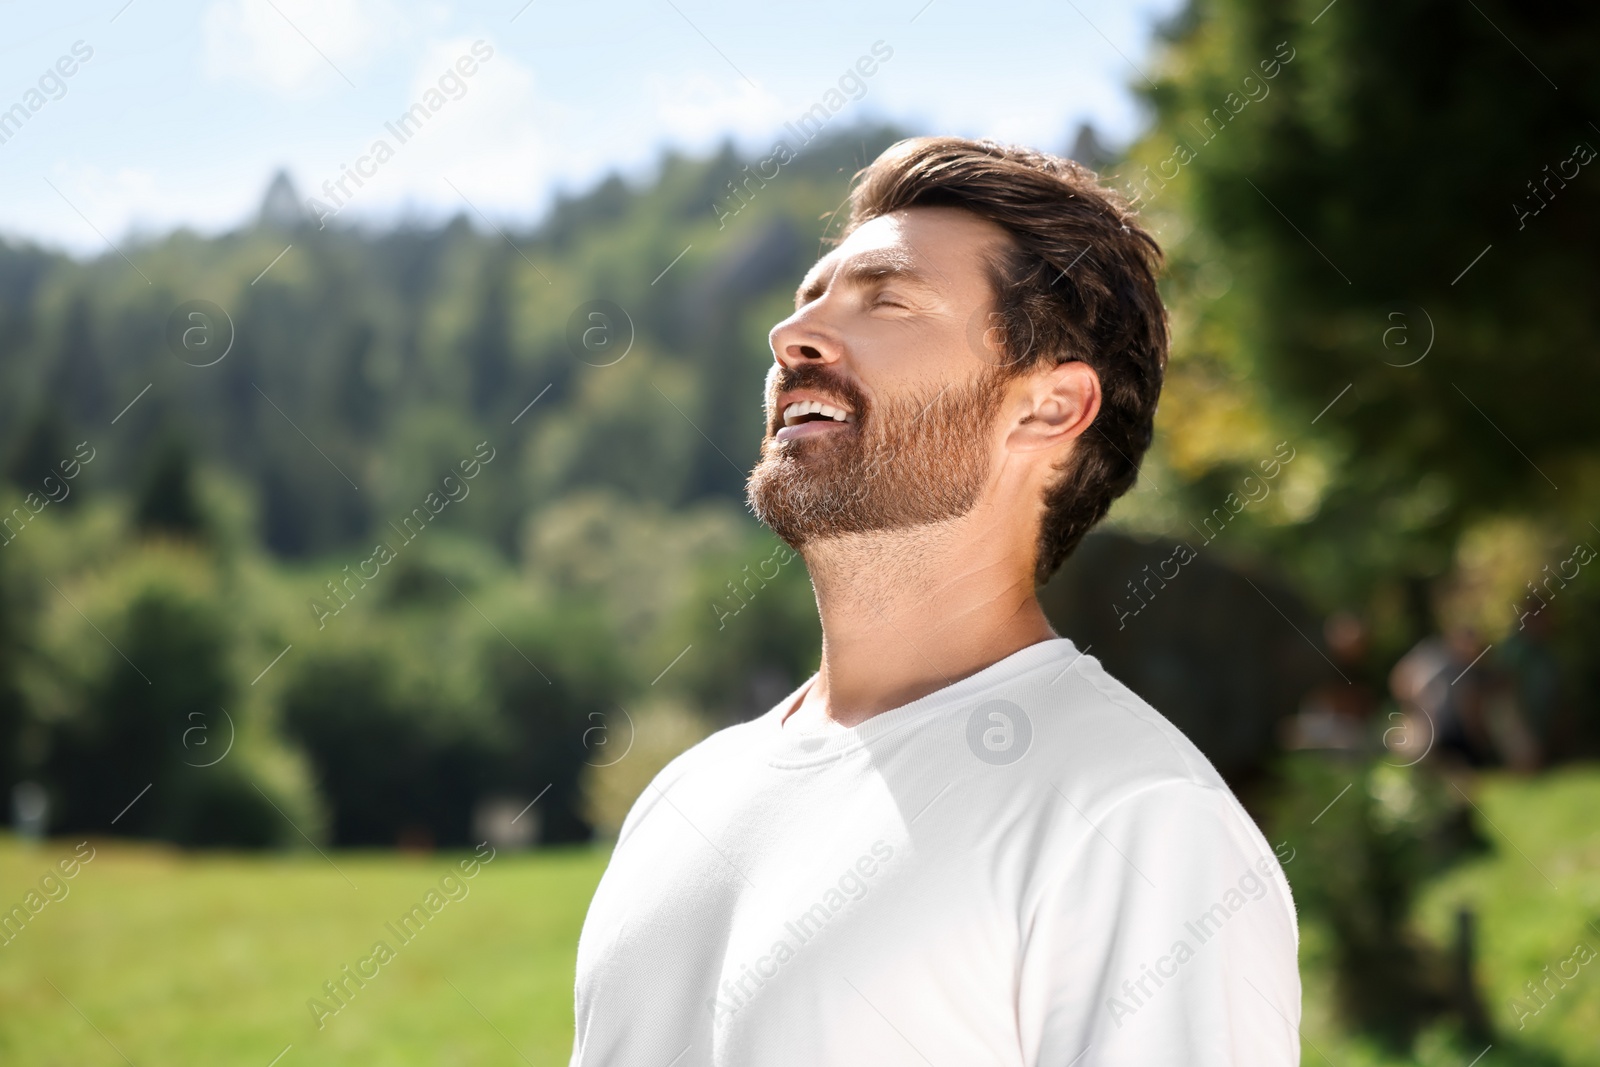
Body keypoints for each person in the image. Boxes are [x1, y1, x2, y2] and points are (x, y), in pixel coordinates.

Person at [570, 137, 1301, 1065]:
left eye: (888, 300)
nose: (791, 335)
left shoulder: (1136, 819)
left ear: (1046, 409)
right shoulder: (682, 800)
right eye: (808, 298)